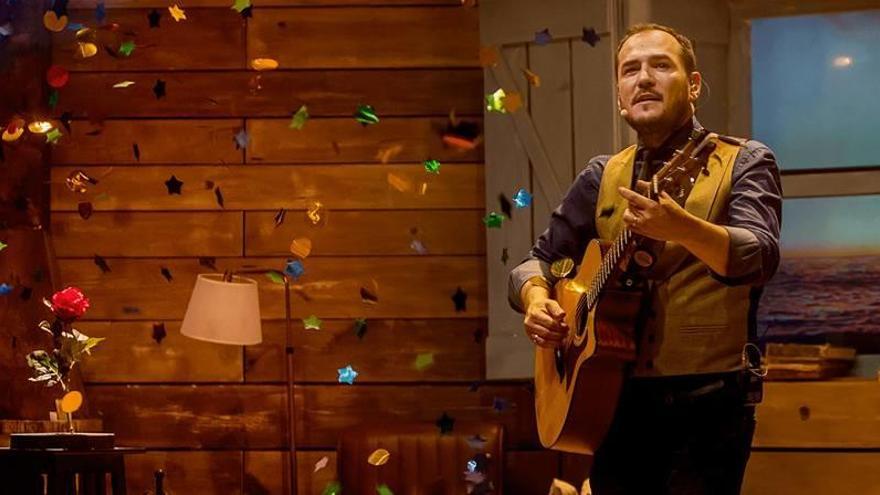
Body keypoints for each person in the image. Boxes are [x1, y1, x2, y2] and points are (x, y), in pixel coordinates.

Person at [507, 23, 783, 495]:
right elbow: (536, 262)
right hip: (613, 401)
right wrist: (536, 301)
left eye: (661, 65)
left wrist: (681, 228)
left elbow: (758, 256)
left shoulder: (745, 161)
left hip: (710, 403)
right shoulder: (601, 175)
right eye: (630, 70)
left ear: (693, 86)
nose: (644, 78)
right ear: (619, 94)